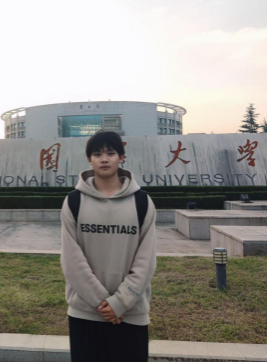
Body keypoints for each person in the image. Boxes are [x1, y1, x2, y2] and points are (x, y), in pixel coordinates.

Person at [60, 130, 157, 362]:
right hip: (85, 313)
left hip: (131, 313)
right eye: (97, 154)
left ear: (121, 157)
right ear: (89, 160)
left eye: (111, 153)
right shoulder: (74, 201)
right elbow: (72, 260)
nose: (104, 159)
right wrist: (103, 303)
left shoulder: (142, 202)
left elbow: (146, 260)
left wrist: (120, 303)